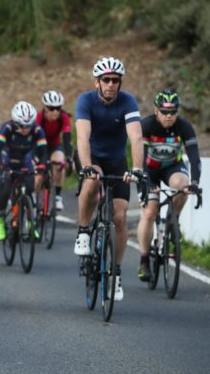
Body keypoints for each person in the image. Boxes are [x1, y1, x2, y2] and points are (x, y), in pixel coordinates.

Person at [74, 56, 144, 301]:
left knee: (120, 217)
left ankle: (115, 272)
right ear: (97, 82)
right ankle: (83, 231)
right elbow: (82, 138)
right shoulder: (85, 101)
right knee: (93, 179)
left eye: (115, 80)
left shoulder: (128, 102)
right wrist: (86, 166)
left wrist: (136, 168)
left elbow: (136, 138)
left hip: (116, 160)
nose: (111, 84)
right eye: (106, 80)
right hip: (90, 155)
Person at [136, 89, 202, 281]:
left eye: (173, 112)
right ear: (156, 111)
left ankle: (174, 220)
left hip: (172, 167)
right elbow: (140, 159)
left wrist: (195, 183)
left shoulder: (184, 127)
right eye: (164, 112)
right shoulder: (146, 125)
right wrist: (147, 183)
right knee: (150, 212)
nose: (169, 116)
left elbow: (194, 156)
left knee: (183, 185)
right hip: (149, 170)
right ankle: (144, 260)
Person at [0, 101, 47, 242]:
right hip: (6, 160)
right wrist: (2, 167)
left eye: (28, 126)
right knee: (5, 190)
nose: (25, 129)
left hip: (23, 161)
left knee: (30, 188)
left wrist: (42, 164)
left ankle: (30, 223)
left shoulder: (37, 129)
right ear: (16, 122)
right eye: (22, 126)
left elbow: (43, 151)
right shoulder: (7, 127)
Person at [35, 90, 72, 210]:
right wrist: (36, 157)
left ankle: (57, 196)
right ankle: (34, 200)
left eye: (58, 108)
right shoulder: (39, 117)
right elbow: (34, 138)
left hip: (55, 146)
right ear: (45, 108)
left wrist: (69, 157)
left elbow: (67, 139)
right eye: (51, 108)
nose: (55, 111)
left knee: (59, 163)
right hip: (40, 146)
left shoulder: (64, 117)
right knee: (39, 174)